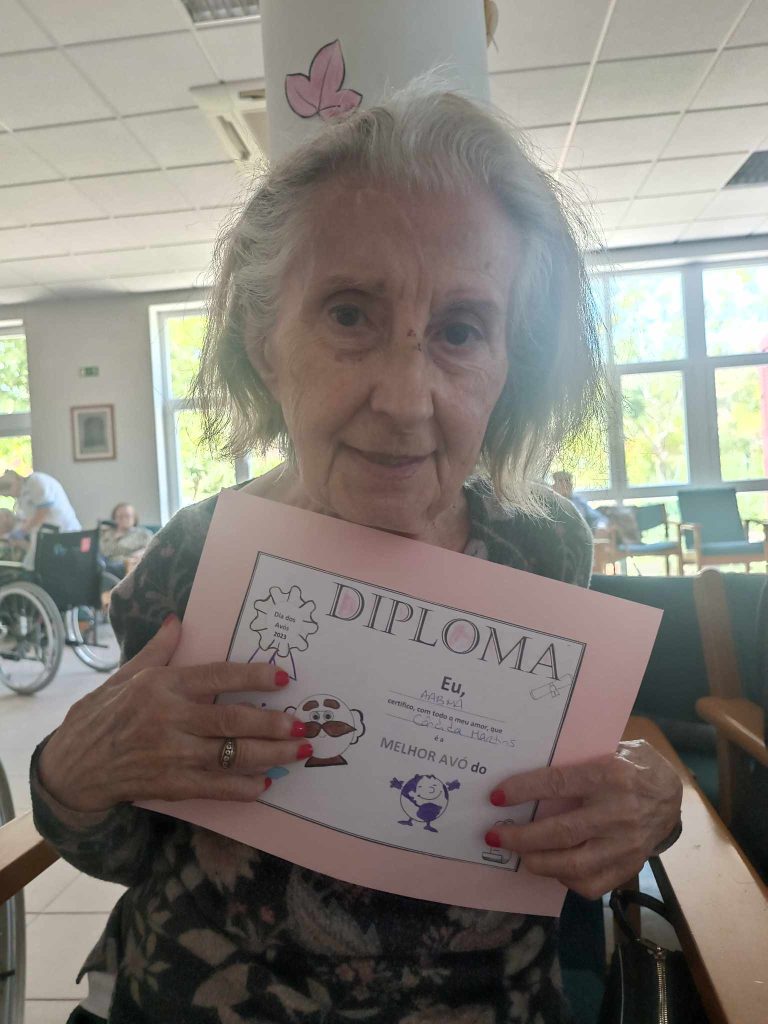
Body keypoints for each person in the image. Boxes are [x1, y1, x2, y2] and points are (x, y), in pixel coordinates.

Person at [31, 89, 683, 1024]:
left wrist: (647, 803)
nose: (404, 399)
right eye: (348, 314)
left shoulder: (543, 548)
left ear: (512, 363)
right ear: (265, 343)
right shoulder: (193, 559)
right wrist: (71, 776)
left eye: (461, 330)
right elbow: (117, 849)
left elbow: (587, 796)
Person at [0, 468, 81, 568]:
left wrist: (22, 531)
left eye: (9, 492)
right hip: (46, 537)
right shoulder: (22, 498)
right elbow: (29, 518)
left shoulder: (36, 481)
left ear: (15, 481)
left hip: (64, 532)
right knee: (31, 566)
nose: (11, 496)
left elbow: (42, 513)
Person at [99, 503, 154, 578]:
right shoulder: (105, 533)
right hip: (103, 562)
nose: (123, 519)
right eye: (120, 516)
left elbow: (153, 549)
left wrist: (142, 553)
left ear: (134, 518)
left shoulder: (143, 534)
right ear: (114, 518)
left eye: (127, 516)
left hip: (126, 564)